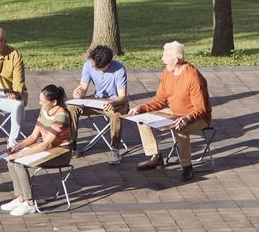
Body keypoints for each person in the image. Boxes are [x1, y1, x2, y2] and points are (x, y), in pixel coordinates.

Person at [131, 40, 212, 182]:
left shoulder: (193, 77)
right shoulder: (167, 73)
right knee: (142, 120)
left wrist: (187, 118)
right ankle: (155, 156)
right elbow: (159, 100)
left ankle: (187, 166)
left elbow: (201, 108)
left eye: (165, 56)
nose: (162, 59)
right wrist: (141, 108)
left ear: (175, 60)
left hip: (197, 118)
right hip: (174, 112)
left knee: (180, 128)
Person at [2, 85, 77, 216]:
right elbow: (33, 136)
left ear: (54, 102)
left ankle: (30, 203)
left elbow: (45, 144)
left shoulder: (61, 116)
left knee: (19, 163)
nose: (40, 103)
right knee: (11, 161)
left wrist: (20, 155)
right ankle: (20, 197)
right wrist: (18, 147)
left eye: (43, 101)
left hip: (61, 153)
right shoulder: (44, 110)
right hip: (48, 149)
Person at [74, 42, 130, 153]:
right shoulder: (88, 65)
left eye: (97, 68)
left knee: (116, 115)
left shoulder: (119, 69)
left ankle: (115, 149)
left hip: (116, 102)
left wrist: (112, 103)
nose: (93, 68)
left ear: (108, 64)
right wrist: (78, 94)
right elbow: (83, 88)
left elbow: (122, 97)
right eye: (93, 65)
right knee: (71, 108)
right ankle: (72, 146)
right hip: (97, 100)